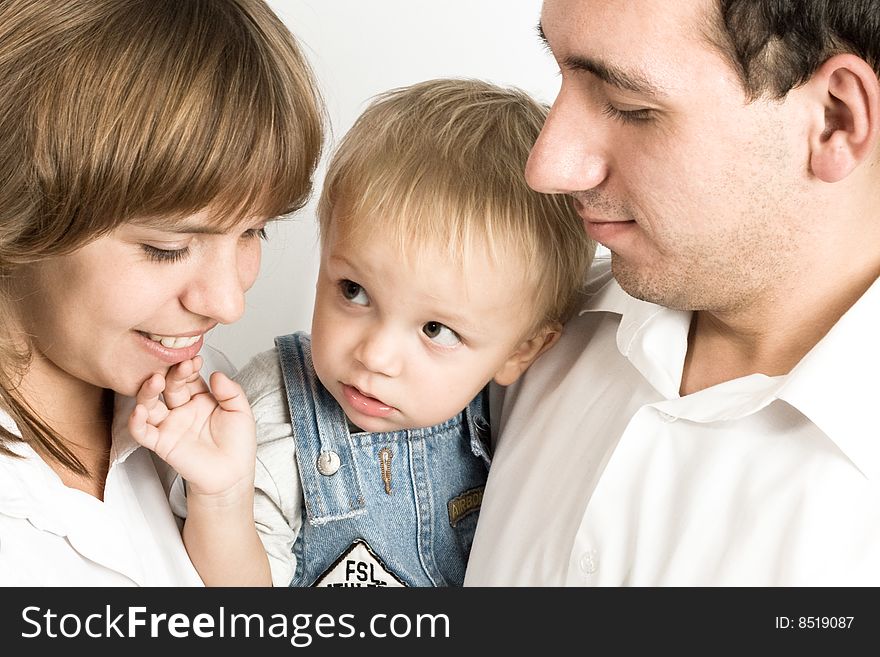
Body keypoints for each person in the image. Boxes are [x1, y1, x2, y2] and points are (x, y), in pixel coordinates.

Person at [465, 0, 880, 586]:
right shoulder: (516, 342)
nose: (546, 166)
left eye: (631, 109)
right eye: (561, 76)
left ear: (835, 120)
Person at [129, 78, 595, 586]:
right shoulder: (273, 414)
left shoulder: (516, 418)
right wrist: (221, 497)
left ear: (520, 351)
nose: (375, 355)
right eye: (354, 291)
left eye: (436, 330)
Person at [0, 0, 323, 586]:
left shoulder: (214, 406)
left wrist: (222, 504)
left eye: (254, 231)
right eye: (168, 248)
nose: (228, 304)